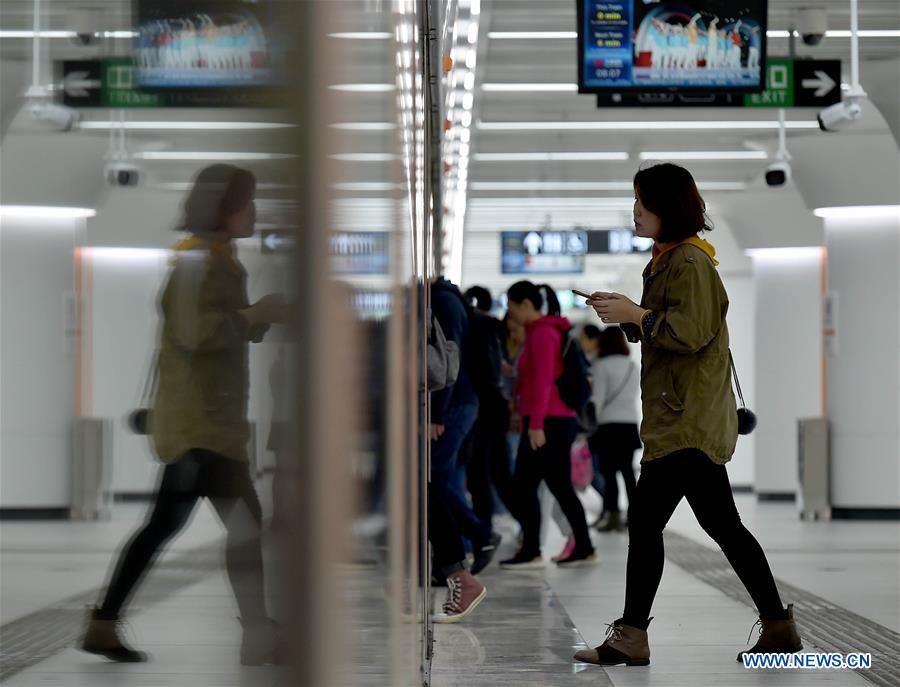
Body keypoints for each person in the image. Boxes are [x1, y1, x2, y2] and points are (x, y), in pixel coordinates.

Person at [573, 163, 802, 667]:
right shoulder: (666, 260)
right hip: (678, 420)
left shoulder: (690, 263)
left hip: (686, 424)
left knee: (649, 523)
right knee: (723, 526)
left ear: (666, 207)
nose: (634, 211)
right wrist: (628, 316)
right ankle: (777, 625)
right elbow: (670, 332)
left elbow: (691, 332)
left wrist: (637, 316)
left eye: (642, 202)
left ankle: (633, 634)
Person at [81, 165, 288, 666]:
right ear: (224, 209)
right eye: (247, 203)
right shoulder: (198, 261)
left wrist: (256, 321)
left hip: (206, 426)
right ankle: (257, 633)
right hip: (202, 430)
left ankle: (104, 623)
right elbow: (195, 334)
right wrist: (252, 315)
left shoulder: (217, 259)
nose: (254, 213)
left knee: (166, 525)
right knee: (242, 528)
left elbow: (209, 333)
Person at [500, 282, 595, 569]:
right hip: (550, 419)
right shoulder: (540, 332)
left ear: (526, 304)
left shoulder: (542, 334)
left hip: (549, 421)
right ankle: (577, 547)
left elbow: (543, 382)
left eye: (512, 306)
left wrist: (536, 424)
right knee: (549, 486)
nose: (510, 313)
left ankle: (533, 550)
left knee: (528, 486)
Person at [430, 278, 499, 575]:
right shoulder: (447, 300)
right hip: (458, 404)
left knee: (434, 481)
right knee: (442, 478)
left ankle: (480, 536)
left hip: (455, 404)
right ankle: (448, 559)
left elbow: (447, 361)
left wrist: (437, 413)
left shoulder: (444, 302)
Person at [461, 286, 516, 529]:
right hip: (497, 406)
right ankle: (492, 526)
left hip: (483, 407)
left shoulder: (473, 326)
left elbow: (481, 371)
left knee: (479, 473)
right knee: (499, 474)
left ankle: (484, 528)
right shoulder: (495, 328)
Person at [582, 325, 641, 533]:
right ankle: (636, 516)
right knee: (628, 473)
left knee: (608, 474)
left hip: (608, 426)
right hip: (629, 424)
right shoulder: (632, 366)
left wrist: (588, 426)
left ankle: (613, 515)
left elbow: (597, 400)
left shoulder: (602, 366)